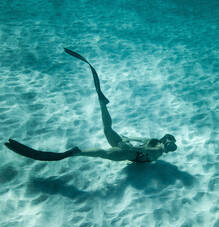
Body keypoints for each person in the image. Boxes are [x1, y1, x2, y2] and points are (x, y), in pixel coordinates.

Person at [5, 49, 177, 163]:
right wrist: (130, 140)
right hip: (127, 150)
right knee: (105, 139)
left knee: (105, 139)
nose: (165, 144)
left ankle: (101, 108)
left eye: (167, 144)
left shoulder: (156, 147)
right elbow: (155, 142)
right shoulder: (157, 150)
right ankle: (78, 150)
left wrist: (129, 140)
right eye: (166, 143)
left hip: (127, 149)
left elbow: (152, 142)